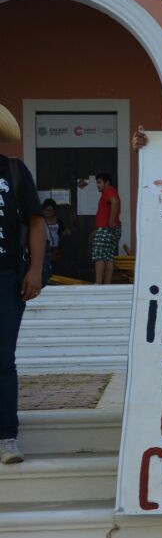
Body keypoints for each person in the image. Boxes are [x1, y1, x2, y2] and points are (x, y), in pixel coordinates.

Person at [0, 104, 45, 464]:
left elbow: (35, 222)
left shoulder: (14, 170)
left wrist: (36, 270)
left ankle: (6, 438)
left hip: (7, 277)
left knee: (3, 359)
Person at [90, 172, 121, 284]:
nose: (97, 185)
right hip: (111, 229)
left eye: (99, 182)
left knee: (99, 256)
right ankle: (107, 285)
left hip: (106, 229)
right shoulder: (111, 191)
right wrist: (96, 231)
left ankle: (98, 284)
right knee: (109, 257)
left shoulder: (108, 190)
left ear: (107, 183)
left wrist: (111, 221)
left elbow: (115, 202)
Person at [40, 198, 67, 285]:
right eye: (47, 210)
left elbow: (64, 231)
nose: (49, 212)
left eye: (52, 210)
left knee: (55, 265)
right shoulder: (40, 220)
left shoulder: (58, 221)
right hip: (43, 247)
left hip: (55, 247)